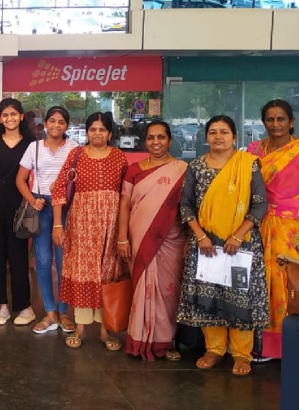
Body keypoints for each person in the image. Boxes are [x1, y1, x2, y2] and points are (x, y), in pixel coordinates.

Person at [177, 115, 269, 376]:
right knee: (209, 295)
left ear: (234, 137)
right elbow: (186, 204)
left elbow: (260, 204)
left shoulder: (248, 164)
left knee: (240, 296)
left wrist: (238, 235)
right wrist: (200, 236)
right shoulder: (196, 166)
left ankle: (241, 354)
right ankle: (214, 349)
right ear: (206, 137)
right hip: (206, 244)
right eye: (213, 132)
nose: (218, 137)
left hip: (241, 244)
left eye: (224, 132)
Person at [246, 99, 299, 360]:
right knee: (259, 283)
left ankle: (290, 344)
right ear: (263, 123)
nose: (275, 124)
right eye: (270, 119)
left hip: (293, 228)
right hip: (258, 224)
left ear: (292, 121)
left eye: (281, 119)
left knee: (289, 284)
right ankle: (261, 343)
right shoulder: (254, 150)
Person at [51, 112, 128, 349]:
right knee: (83, 272)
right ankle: (81, 328)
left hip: (110, 226)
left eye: (102, 129)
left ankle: (105, 331)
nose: (97, 133)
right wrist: (57, 225)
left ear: (110, 134)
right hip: (81, 225)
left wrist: (123, 233)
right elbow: (58, 188)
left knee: (106, 274)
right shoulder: (76, 154)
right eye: (93, 129)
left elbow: (126, 195)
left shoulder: (119, 157)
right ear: (86, 132)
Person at [117, 120, 188, 360]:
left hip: (171, 238)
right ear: (144, 141)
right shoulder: (134, 170)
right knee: (141, 288)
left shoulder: (182, 169)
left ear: (170, 140)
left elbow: (188, 207)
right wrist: (122, 238)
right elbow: (125, 204)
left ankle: (167, 342)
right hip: (139, 237)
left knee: (169, 291)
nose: (156, 142)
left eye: (161, 137)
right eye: (151, 138)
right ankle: (139, 338)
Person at [15, 105, 79, 334]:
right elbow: (20, 179)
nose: (56, 125)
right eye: (52, 120)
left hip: (66, 208)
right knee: (42, 261)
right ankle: (50, 312)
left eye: (61, 122)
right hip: (41, 207)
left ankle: (64, 312)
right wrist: (32, 200)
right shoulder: (34, 148)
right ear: (46, 123)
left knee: (63, 263)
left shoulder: (74, 148)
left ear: (67, 126)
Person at [0, 98, 37, 326]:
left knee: (18, 258)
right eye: (5, 115)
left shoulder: (31, 143)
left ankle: (25, 307)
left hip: (20, 207)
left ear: (21, 116)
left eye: (14, 114)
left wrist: (32, 201)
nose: (10, 118)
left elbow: (37, 174)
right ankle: (2, 307)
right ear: (0, 118)